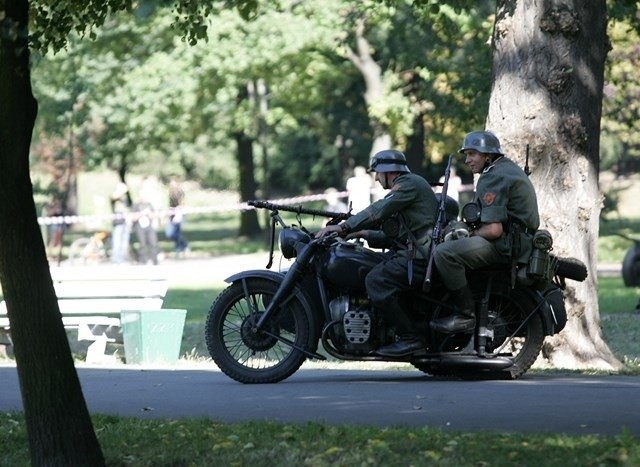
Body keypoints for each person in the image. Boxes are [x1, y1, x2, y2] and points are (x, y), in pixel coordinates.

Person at [316, 149, 438, 357]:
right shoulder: (407, 186)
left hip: (419, 256)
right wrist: (361, 233)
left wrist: (344, 227)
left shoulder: (408, 184)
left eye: (377, 173)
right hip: (412, 251)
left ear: (389, 172)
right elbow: (397, 235)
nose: (376, 178)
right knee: (368, 265)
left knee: (375, 280)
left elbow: (379, 209)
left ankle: (410, 338)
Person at [430, 131, 540, 334]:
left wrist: (468, 235)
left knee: (445, 253)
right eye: (466, 154)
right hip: (518, 240)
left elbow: (493, 230)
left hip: (507, 244)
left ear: (487, 155)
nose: (468, 160)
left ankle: (465, 315)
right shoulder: (505, 169)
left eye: (472, 154)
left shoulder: (493, 176)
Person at [132, 179, 160, 265]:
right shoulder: (136, 205)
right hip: (140, 227)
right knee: (142, 244)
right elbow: (133, 217)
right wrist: (141, 214)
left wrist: (149, 214)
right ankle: (143, 261)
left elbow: (154, 214)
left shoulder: (149, 204)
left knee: (153, 243)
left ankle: (155, 260)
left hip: (149, 226)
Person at [110, 182, 132, 264]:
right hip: (117, 223)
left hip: (125, 223)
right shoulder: (115, 197)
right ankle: (116, 259)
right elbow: (114, 197)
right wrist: (121, 189)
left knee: (124, 243)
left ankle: (122, 259)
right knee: (117, 242)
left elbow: (127, 210)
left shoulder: (124, 199)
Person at [166, 178, 189, 256]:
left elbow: (181, 204)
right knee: (170, 233)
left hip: (178, 213)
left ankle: (179, 248)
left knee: (177, 232)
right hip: (172, 213)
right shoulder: (170, 193)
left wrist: (178, 214)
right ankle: (183, 245)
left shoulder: (180, 192)